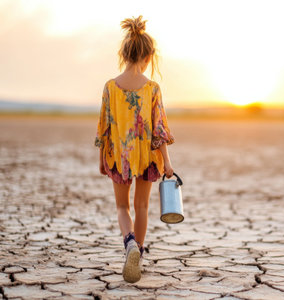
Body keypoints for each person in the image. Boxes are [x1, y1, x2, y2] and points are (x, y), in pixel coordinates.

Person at [94, 15, 175, 283]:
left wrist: (101, 158)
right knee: (141, 206)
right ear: (148, 56)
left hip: (119, 155)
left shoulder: (109, 87)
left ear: (124, 53)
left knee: (121, 207)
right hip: (147, 157)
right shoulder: (152, 88)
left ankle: (129, 244)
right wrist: (167, 162)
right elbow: (160, 130)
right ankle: (138, 253)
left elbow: (104, 127)